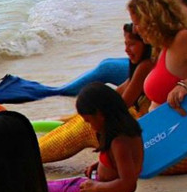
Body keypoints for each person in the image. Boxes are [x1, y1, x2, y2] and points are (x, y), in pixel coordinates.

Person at [0, 0, 187, 105]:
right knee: (108, 66)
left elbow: (178, 53)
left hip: (161, 70)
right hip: (159, 67)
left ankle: (53, 91)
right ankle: (53, 89)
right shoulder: (178, 7)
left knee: (106, 67)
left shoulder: (179, 15)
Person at [39, 23, 153, 163]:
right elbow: (117, 94)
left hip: (143, 130)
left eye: (132, 44)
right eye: (125, 44)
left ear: (146, 43)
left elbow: (122, 105)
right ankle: (33, 147)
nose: (126, 50)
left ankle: (30, 153)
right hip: (140, 125)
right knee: (85, 116)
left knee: (86, 126)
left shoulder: (146, 66)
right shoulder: (141, 66)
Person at [48, 83, 143, 192]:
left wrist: (96, 187)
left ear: (100, 115)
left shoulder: (120, 142)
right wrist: (100, 165)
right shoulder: (124, 130)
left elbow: (129, 185)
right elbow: (123, 163)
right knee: (42, 187)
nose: (91, 127)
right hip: (102, 190)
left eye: (89, 121)